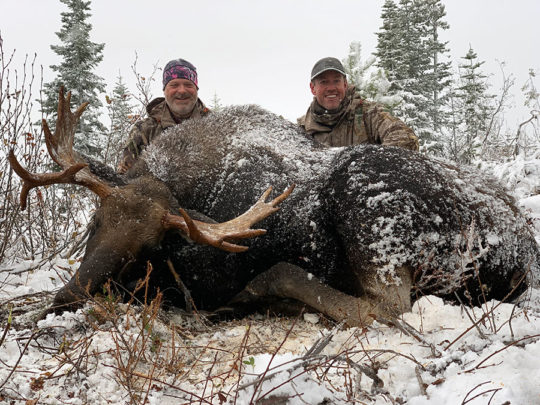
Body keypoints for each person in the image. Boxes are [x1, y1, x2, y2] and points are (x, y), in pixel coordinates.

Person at [298, 57, 419, 151]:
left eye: (336, 81)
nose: (331, 88)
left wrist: (373, 165)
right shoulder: (302, 129)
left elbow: (406, 138)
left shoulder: (369, 114)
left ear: (345, 84)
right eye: (324, 82)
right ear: (312, 88)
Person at [117, 58, 211, 173]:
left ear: (196, 89)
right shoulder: (143, 130)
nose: (182, 91)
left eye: (188, 85)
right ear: (164, 90)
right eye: (174, 85)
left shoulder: (216, 125)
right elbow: (125, 179)